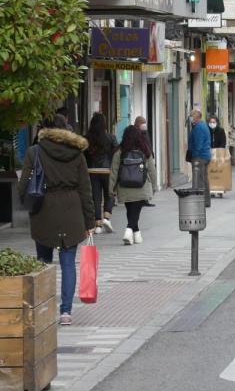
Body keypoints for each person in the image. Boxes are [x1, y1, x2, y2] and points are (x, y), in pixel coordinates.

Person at [17, 115, 93, 326]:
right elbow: (85, 190)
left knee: (43, 262)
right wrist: (89, 222)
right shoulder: (77, 154)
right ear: (67, 130)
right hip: (72, 211)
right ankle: (66, 312)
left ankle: (43, 307)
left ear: (47, 130)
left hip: (44, 210)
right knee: (68, 263)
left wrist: (28, 205)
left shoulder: (35, 151)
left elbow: (23, 185)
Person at [110, 125, 158, 246]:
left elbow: (114, 172)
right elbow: (152, 170)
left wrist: (111, 188)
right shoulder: (145, 151)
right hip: (141, 186)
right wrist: (154, 185)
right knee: (135, 211)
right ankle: (129, 229)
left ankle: (136, 234)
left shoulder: (119, 152)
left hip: (124, 186)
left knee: (130, 210)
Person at [84, 112, 116, 234]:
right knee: (110, 194)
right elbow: (116, 153)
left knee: (95, 198)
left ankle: (98, 225)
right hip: (107, 171)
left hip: (92, 171)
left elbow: (84, 155)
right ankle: (107, 218)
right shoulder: (111, 138)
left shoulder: (87, 138)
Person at [187, 110, 212, 201]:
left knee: (199, 180)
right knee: (203, 179)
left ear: (195, 117)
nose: (189, 117)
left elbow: (198, 144)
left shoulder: (198, 128)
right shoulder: (202, 125)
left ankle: (199, 201)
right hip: (205, 156)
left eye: (191, 116)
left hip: (200, 157)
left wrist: (194, 156)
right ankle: (205, 201)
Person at [134, 116, 156, 207]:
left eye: (145, 123)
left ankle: (146, 199)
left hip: (147, 157)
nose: (144, 125)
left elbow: (148, 145)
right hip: (140, 160)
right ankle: (142, 199)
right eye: (142, 123)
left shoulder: (145, 133)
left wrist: (152, 153)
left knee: (148, 179)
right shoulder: (135, 134)